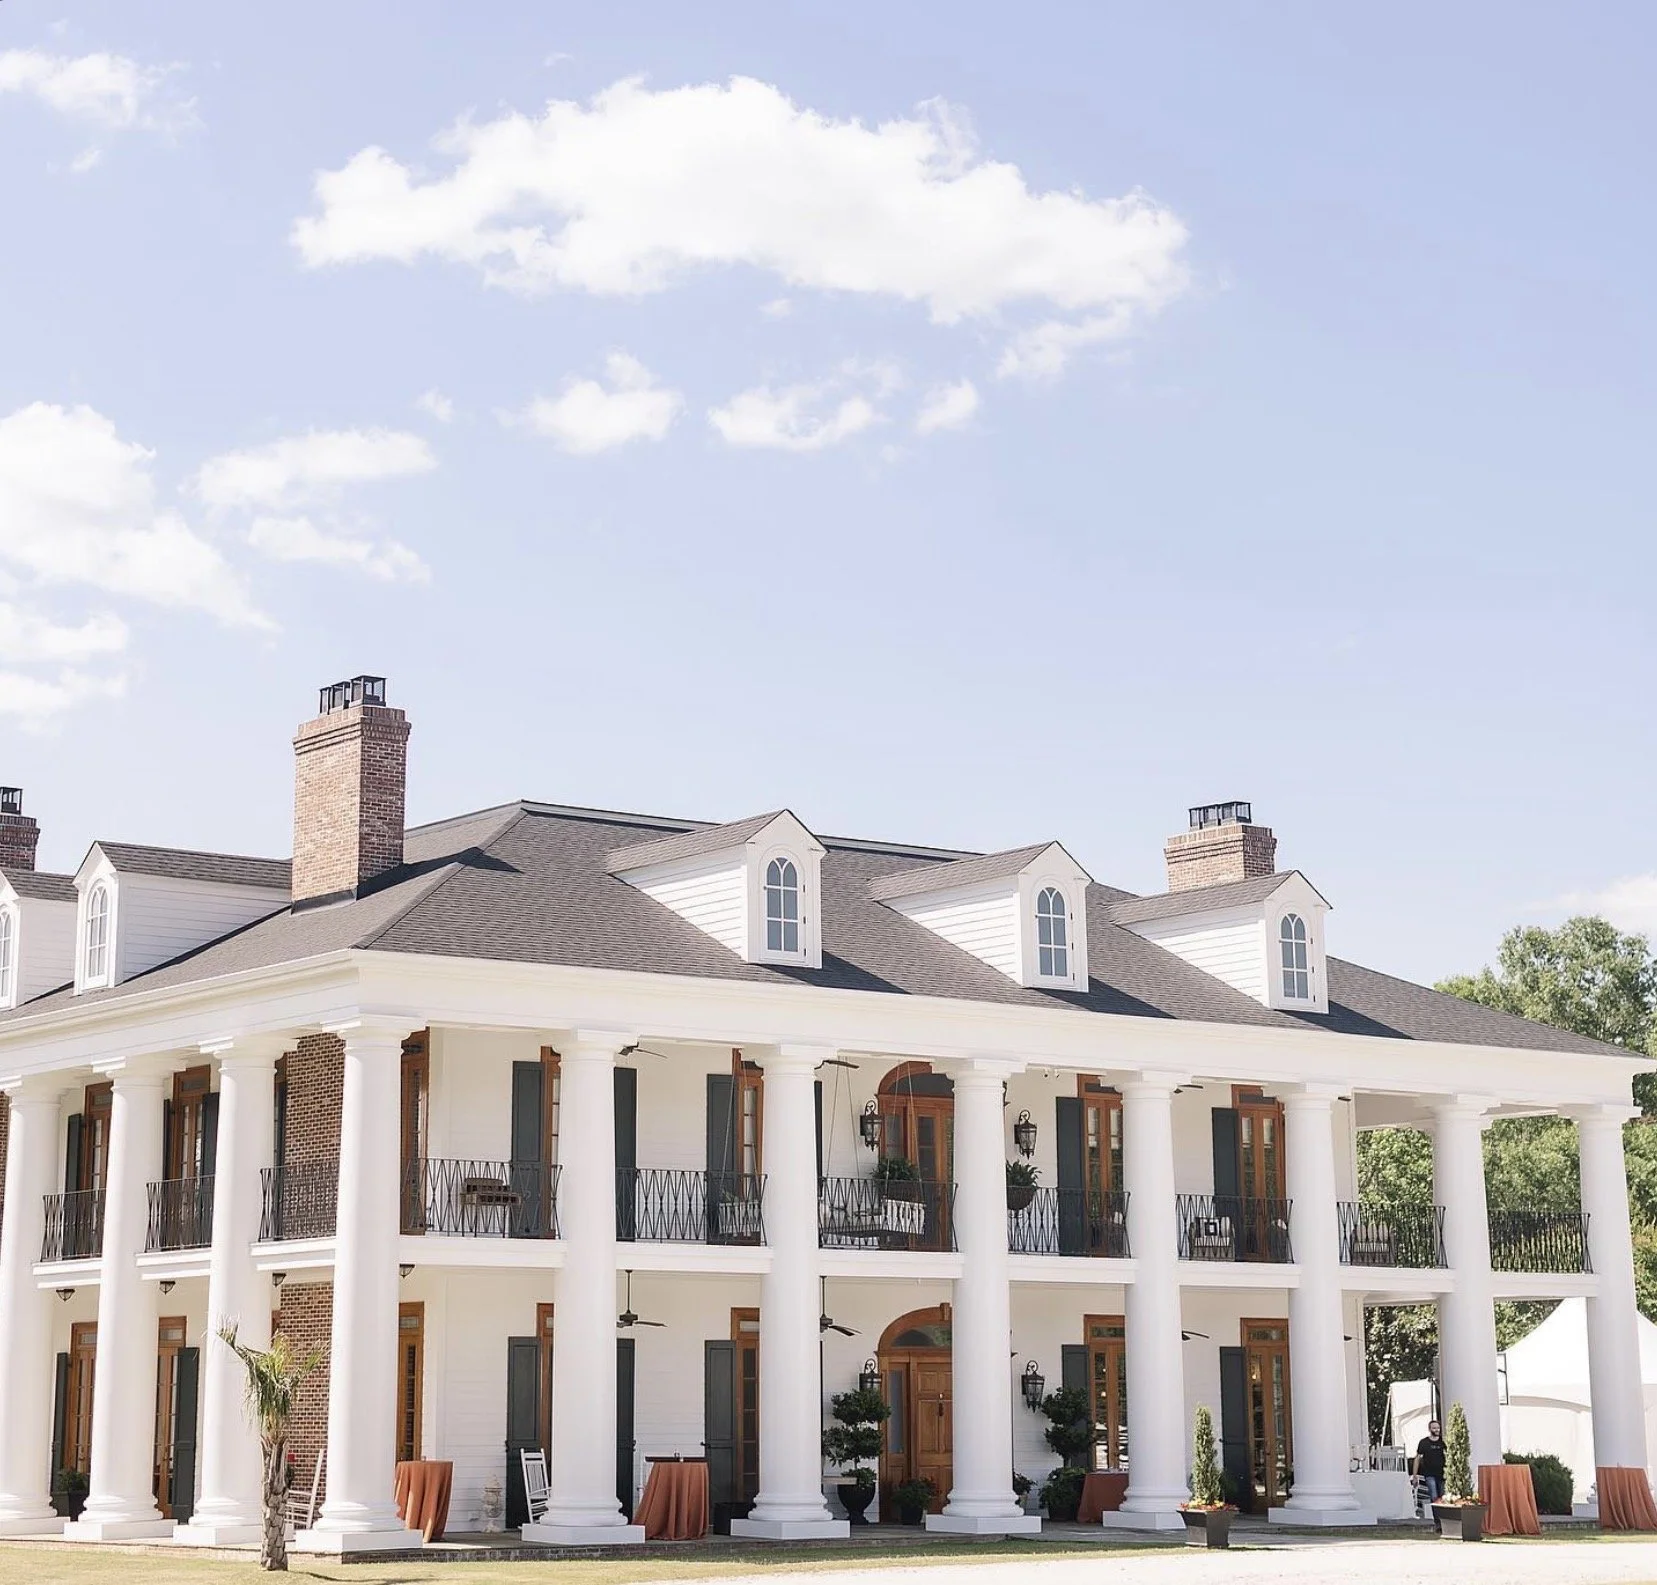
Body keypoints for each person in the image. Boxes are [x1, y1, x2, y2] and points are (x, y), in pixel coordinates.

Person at [1413, 1419, 1446, 1501]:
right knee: (1434, 1497)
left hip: (1442, 1474)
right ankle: (1435, 1513)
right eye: (1434, 1428)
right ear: (1429, 1429)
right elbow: (1417, 1458)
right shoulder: (1424, 1442)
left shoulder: (1443, 1442)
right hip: (1429, 1474)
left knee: (1443, 1497)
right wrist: (1414, 1475)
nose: (1437, 1430)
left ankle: (1442, 1514)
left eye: (1438, 1428)